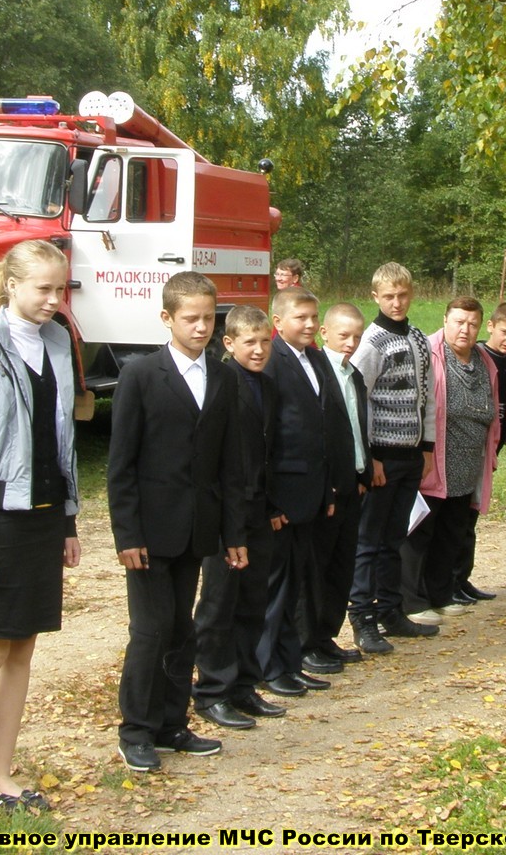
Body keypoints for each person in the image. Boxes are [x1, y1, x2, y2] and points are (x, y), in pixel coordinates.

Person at [0, 240, 81, 811]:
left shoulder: (57, 341)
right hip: (1, 519)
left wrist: (71, 519)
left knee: (23, 647)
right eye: (43, 289)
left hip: (47, 516)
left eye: (61, 289)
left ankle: (3, 770)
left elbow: (64, 441)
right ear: (12, 286)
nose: (54, 300)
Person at [109, 272, 248, 773]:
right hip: (149, 531)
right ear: (167, 318)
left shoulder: (224, 376)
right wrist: (127, 534)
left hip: (197, 529)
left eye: (209, 318)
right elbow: (121, 464)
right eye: (191, 318)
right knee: (150, 629)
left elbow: (231, 463)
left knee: (182, 628)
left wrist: (233, 533)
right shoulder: (141, 376)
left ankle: (172, 723)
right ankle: (136, 730)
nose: (202, 327)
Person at [194, 306, 284, 730]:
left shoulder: (268, 384)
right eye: (250, 342)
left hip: (258, 509)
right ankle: (212, 690)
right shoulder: (221, 383)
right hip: (225, 512)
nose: (259, 349)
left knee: (253, 601)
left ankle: (245, 684)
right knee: (219, 603)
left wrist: (271, 505)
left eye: (265, 341)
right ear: (229, 344)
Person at [348, 262, 439, 647]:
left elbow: (427, 397)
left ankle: (391, 609)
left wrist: (428, 446)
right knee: (368, 541)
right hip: (381, 456)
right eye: (388, 296)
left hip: (411, 453)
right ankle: (361, 616)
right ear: (376, 297)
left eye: (402, 295)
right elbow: (357, 399)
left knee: (394, 539)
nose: (396, 302)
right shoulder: (371, 342)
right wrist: (369, 458)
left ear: (411, 293)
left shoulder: (419, 339)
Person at [258, 286, 337, 696]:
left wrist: (327, 490)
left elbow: (323, 427)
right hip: (283, 496)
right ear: (278, 322)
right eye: (300, 318)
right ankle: (268, 667)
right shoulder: (272, 361)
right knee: (276, 587)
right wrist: (270, 500)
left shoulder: (317, 358)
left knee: (298, 584)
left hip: (311, 491)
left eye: (313, 317)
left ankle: (291, 661)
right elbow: (265, 438)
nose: (309, 324)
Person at [407, 298, 502, 619]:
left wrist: (492, 449)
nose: (466, 329)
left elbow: (494, 411)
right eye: (459, 322)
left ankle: (441, 594)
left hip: (468, 461)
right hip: (433, 461)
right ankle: (413, 601)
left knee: (453, 529)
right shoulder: (428, 353)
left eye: (473, 323)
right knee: (422, 530)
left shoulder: (484, 360)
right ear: (445, 320)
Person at [304, 302, 372, 663]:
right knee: (318, 565)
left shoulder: (354, 375)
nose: (350, 343)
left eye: (357, 337)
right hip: (328, 486)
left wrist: (363, 472)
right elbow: (321, 435)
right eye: (343, 336)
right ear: (325, 333)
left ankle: (327, 634)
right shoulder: (317, 373)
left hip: (352, 483)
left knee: (342, 566)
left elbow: (357, 430)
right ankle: (308, 640)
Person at [456, 302, 506, 602]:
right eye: (505, 332)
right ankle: (448, 580)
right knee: (457, 517)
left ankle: (463, 578)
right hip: (466, 445)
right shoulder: (481, 356)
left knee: (472, 516)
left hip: (490, 447)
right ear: (491, 327)